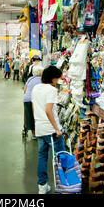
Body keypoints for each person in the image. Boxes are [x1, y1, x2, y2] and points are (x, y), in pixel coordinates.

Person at [31, 65, 64, 194]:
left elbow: (34, 108)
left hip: (39, 127)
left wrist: (37, 122)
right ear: (53, 78)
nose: (57, 82)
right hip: (51, 130)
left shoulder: (36, 88)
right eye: (57, 79)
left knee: (42, 157)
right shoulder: (51, 90)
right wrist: (57, 129)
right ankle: (63, 187)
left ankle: (42, 186)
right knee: (60, 158)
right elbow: (48, 110)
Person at [23, 65, 43, 139]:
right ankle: (37, 132)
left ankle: (33, 133)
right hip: (36, 100)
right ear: (40, 73)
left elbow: (24, 90)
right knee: (36, 115)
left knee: (29, 116)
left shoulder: (30, 79)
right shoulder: (42, 80)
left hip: (26, 99)